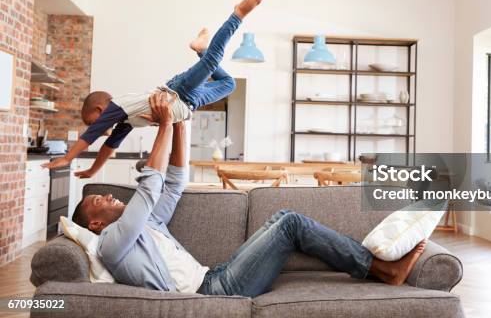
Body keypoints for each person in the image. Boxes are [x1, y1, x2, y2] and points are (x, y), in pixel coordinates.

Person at [70, 92, 428, 297]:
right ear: (97, 224)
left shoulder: (147, 223)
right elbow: (150, 187)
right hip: (210, 294)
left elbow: (175, 180)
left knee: (281, 219)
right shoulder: (112, 243)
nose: (108, 196)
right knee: (290, 222)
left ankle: (377, 268)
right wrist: (163, 124)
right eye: (98, 201)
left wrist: (179, 123)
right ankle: (381, 270)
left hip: (214, 275)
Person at [42, 0, 262, 177]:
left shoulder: (118, 107)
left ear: (100, 110)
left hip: (180, 91)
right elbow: (109, 146)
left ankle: (237, 15)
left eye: (93, 121)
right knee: (228, 84)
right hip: (189, 103)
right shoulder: (126, 120)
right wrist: (93, 169)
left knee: (212, 62)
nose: (97, 129)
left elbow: (91, 134)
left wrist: (67, 157)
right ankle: (201, 48)